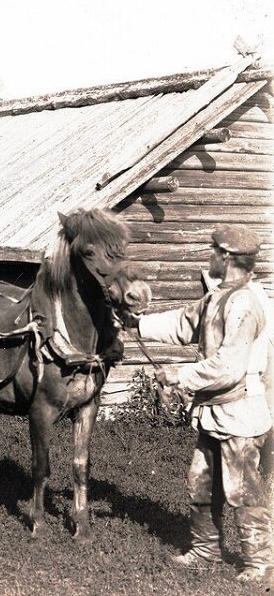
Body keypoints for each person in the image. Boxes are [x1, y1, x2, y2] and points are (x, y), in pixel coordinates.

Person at [134, 225, 272, 582]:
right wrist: (137, 323)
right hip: (214, 412)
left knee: (243, 493)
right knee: (200, 484)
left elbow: (228, 367)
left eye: (212, 250)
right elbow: (184, 324)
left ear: (226, 257)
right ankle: (205, 549)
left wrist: (180, 375)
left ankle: (259, 563)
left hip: (241, 414)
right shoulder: (220, 295)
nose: (208, 255)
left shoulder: (245, 302)